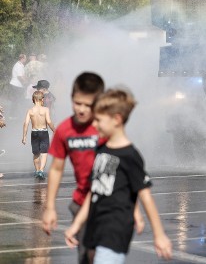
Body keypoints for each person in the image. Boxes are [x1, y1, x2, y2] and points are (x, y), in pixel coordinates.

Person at [64, 89, 172, 262]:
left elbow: (145, 195)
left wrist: (159, 235)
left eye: (98, 120)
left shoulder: (130, 155)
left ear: (117, 119)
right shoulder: (101, 150)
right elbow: (94, 191)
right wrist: (76, 225)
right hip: (95, 226)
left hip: (116, 229)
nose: (94, 125)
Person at [41, 72, 107, 264]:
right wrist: (50, 207)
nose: (82, 110)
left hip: (108, 204)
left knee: (105, 255)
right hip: (81, 202)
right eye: (78, 103)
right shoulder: (64, 129)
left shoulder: (106, 127)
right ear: (71, 99)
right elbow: (56, 169)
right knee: (86, 256)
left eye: (88, 105)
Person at [22, 91, 56, 179]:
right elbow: (48, 121)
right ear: (42, 100)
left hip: (34, 133)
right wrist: (54, 130)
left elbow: (26, 123)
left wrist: (24, 137)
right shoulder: (45, 109)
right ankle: (41, 170)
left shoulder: (30, 111)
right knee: (44, 153)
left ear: (33, 99)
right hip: (43, 132)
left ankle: (37, 170)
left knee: (36, 153)